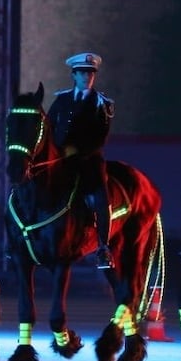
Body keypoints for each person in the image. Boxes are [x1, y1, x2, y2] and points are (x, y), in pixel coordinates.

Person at [48, 52, 115, 269]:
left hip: (88, 162)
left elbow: (101, 137)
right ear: (73, 75)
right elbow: (49, 127)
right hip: (59, 160)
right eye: (82, 73)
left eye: (90, 73)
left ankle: (103, 247)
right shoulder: (62, 99)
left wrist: (76, 151)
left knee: (100, 199)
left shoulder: (102, 103)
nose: (86, 77)